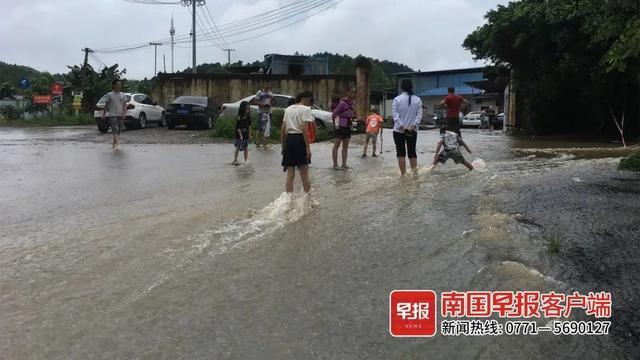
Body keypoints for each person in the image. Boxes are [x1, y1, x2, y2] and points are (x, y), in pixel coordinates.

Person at [280, 91, 315, 194]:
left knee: (290, 173)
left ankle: (288, 198)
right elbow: (304, 128)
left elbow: (283, 128)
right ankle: (308, 198)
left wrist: (283, 146)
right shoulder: (306, 109)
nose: (310, 103)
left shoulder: (288, 109)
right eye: (311, 100)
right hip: (299, 139)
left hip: (289, 140)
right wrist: (307, 148)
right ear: (306, 98)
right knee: (304, 172)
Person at [392, 79, 422, 175]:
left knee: (400, 153)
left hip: (398, 131)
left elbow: (395, 116)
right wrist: (413, 125)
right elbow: (419, 115)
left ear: (402, 87)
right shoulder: (417, 99)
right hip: (412, 131)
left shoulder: (397, 99)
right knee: (412, 152)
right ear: (411, 86)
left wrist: (402, 126)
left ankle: (403, 175)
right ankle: (415, 175)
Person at [331, 87, 357, 170]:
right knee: (337, 144)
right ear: (347, 92)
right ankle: (335, 164)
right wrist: (336, 125)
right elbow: (334, 114)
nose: (353, 94)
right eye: (351, 92)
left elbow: (353, 114)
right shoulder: (342, 103)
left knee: (345, 144)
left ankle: (344, 164)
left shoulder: (353, 104)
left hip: (348, 125)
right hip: (340, 126)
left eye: (354, 93)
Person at [102, 79, 126, 150]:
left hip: (120, 115)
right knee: (115, 129)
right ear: (114, 85)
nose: (119, 86)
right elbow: (106, 106)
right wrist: (103, 115)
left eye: (120, 84)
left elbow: (124, 105)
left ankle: (114, 142)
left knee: (119, 130)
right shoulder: (109, 95)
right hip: (112, 115)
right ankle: (117, 144)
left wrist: (124, 113)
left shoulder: (122, 95)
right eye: (118, 84)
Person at [250, 81, 273, 148]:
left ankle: (265, 143)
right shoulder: (259, 92)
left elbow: (273, 103)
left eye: (269, 84)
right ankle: (258, 142)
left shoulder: (271, 93)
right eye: (267, 84)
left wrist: (272, 101)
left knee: (268, 128)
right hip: (261, 112)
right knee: (260, 128)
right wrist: (263, 104)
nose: (268, 86)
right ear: (264, 84)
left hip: (269, 112)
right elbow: (255, 101)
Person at [233, 101, 252, 165]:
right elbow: (238, 128)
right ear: (243, 108)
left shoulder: (248, 117)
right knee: (238, 147)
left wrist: (250, 135)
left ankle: (246, 159)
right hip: (238, 135)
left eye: (249, 109)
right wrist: (241, 136)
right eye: (246, 109)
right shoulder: (239, 117)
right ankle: (235, 159)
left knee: (245, 147)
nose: (248, 110)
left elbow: (249, 126)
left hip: (245, 134)